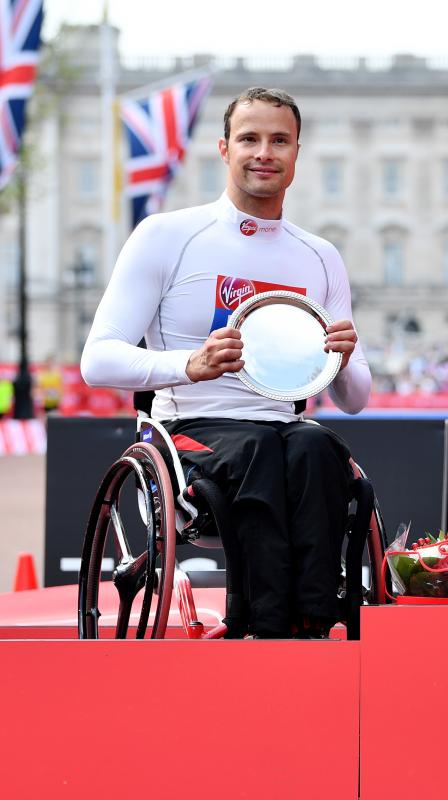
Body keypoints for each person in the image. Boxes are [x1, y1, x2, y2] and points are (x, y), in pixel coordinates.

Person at [81, 87, 371, 637]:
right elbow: (97, 361)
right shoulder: (168, 235)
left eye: (279, 140)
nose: (264, 152)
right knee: (260, 449)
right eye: (250, 139)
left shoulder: (319, 256)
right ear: (223, 149)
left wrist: (347, 359)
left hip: (284, 429)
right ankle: (261, 624)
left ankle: (315, 618)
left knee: (316, 445)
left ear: (295, 154)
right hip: (189, 426)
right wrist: (189, 364)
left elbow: (356, 400)